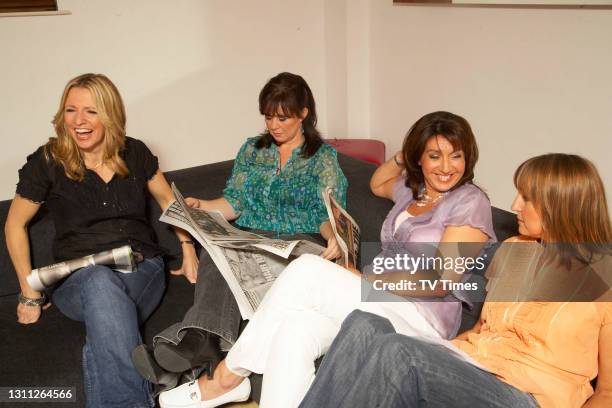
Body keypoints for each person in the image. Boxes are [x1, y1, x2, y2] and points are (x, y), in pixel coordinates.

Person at [159, 111, 497, 408]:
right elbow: (379, 182)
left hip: (421, 317)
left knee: (306, 270)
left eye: (456, 156)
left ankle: (225, 379)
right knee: (295, 331)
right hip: (378, 302)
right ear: (419, 159)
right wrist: (404, 153)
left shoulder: (469, 201)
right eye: (434, 156)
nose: (447, 167)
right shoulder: (414, 189)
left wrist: (368, 280)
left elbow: (440, 281)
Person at [298, 153, 612, 408]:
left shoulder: (604, 277)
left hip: (528, 396)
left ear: (561, 205)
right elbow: (483, 329)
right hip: (475, 365)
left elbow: (608, 393)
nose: (515, 205)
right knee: (363, 324)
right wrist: (439, 353)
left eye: (527, 198)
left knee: (399, 352)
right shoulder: (517, 249)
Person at [133, 72, 348, 389]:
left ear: (303, 114)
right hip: (250, 236)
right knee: (217, 250)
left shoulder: (323, 158)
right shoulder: (252, 150)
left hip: (296, 244)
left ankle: (190, 354)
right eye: (268, 116)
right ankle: (199, 340)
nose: (274, 125)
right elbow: (235, 202)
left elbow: (326, 212)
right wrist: (201, 207)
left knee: (289, 267)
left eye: (283, 118)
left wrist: (333, 236)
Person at [4, 73, 198, 408]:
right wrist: (27, 291)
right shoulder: (48, 161)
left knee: (105, 325)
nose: (79, 121)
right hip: (77, 280)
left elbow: (169, 201)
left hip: (140, 268)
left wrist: (188, 248)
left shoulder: (134, 152)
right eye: (70, 110)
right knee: (98, 281)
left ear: (110, 114)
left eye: (91, 111)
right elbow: (14, 225)